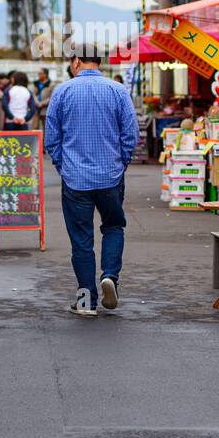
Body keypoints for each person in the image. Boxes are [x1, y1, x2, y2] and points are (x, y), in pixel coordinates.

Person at [44, 45, 138, 316]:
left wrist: (63, 166)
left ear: (76, 62)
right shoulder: (118, 90)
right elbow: (130, 134)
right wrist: (122, 163)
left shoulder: (62, 91)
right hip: (110, 176)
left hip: (75, 179)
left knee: (81, 241)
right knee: (113, 227)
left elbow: (52, 138)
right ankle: (110, 276)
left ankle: (86, 302)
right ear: (99, 62)